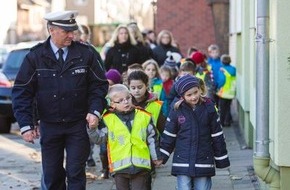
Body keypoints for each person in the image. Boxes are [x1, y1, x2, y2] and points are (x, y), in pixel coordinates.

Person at [11, 10, 109, 190]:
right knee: (52, 174)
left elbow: (99, 85)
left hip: (78, 124)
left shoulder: (86, 54)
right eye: (66, 31)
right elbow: (22, 92)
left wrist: (95, 110)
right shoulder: (35, 56)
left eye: (73, 30)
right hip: (49, 125)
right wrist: (26, 124)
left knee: (75, 172)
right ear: (51, 30)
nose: (72, 35)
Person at [160, 74, 230, 190]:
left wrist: (221, 159)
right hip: (182, 159)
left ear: (199, 89)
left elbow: (217, 135)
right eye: (189, 95)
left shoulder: (209, 108)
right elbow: (169, 135)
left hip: (204, 159)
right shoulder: (176, 110)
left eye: (195, 92)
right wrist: (162, 156)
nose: (193, 97)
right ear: (182, 96)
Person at [88, 84, 163, 190]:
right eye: (121, 100)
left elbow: (152, 137)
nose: (126, 102)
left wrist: (156, 157)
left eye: (128, 98)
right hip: (119, 169)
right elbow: (99, 138)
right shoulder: (108, 119)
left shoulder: (144, 116)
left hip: (141, 167)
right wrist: (91, 128)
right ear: (112, 104)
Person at [216, 54, 236, 126]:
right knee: (228, 107)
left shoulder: (222, 70)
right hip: (231, 92)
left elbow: (221, 80)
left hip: (224, 92)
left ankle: (222, 122)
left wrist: (217, 86)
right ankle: (227, 122)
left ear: (222, 61)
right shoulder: (233, 69)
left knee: (222, 108)